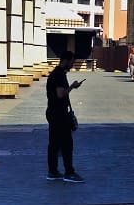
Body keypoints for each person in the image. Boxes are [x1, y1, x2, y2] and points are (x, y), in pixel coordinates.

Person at [46, 50, 85, 183]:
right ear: (66, 60)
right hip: (59, 114)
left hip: (53, 112)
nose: (72, 64)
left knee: (54, 144)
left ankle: (53, 171)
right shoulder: (59, 75)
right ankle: (69, 172)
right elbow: (60, 94)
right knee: (67, 144)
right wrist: (73, 87)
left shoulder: (56, 73)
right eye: (72, 62)